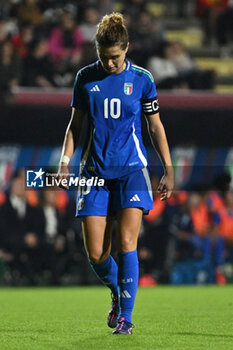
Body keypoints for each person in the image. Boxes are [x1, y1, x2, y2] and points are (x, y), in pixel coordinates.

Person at [57, 12, 174, 335]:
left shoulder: (142, 79)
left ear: (127, 48)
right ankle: (116, 290)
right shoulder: (85, 78)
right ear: (97, 51)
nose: (110, 64)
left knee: (126, 242)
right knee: (97, 254)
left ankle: (126, 316)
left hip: (131, 171)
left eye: (116, 57)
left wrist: (168, 168)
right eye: (105, 58)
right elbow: (75, 125)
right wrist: (65, 161)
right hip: (94, 172)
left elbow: (155, 126)